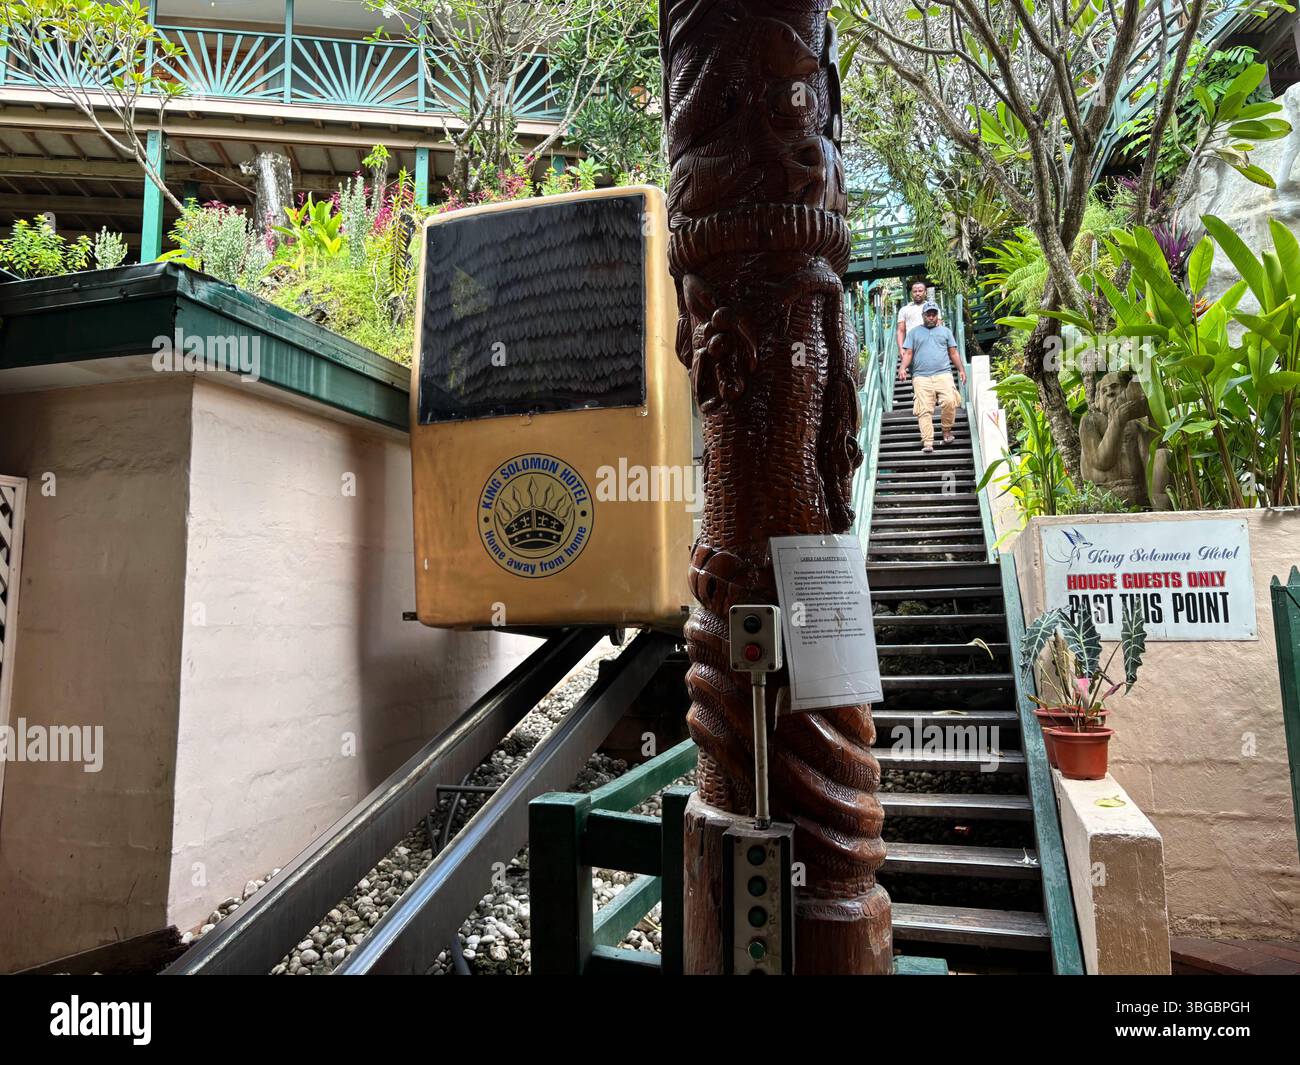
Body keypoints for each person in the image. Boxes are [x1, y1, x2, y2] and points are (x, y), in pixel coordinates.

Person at [899, 302, 965, 453]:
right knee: (924, 409)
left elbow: (953, 353)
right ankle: (928, 441)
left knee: (950, 401)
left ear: (937, 316)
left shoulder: (946, 332)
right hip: (921, 377)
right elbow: (908, 353)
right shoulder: (914, 333)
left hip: (944, 374)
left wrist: (961, 369)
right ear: (923, 316)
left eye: (933, 314)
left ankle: (946, 430)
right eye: (928, 314)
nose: (931, 317)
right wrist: (902, 368)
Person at [895, 279, 940, 358]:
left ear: (925, 292)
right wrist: (901, 348)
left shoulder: (933, 307)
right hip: (912, 347)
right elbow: (901, 331)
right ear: (911, 293)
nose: (917, 293)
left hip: (931, 345)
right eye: (915, 291)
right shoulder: (904, 309)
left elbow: (939, 326)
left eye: (920, 291)